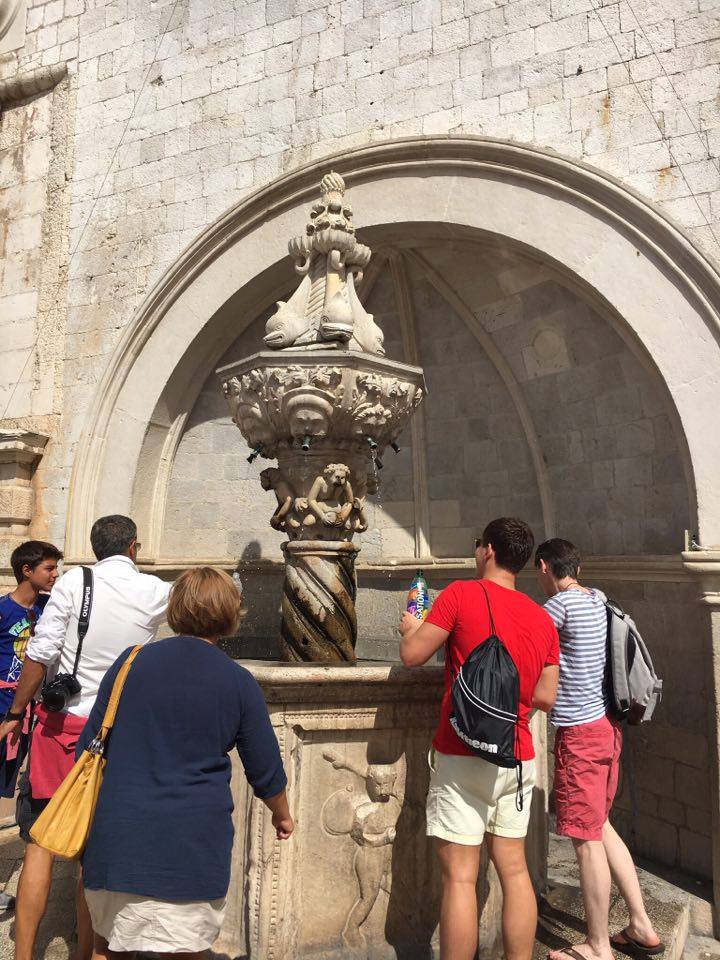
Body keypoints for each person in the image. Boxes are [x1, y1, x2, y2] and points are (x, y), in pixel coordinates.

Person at [77, 566, 293, 959]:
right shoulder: (236, 680)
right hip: (188, 847)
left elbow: (89, 745)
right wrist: (283, 814)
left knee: (108, 948)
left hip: (117, 838)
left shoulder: (130, 662)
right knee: (186, 951)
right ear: (231, 614)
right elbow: (265, 770)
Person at [0, 515, 171, 960]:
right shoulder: (155, 591)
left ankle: (22, 956)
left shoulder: (73, 584)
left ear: (95, 548)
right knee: (91, 850)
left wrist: (16, 713)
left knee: (38, 843)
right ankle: (86, 954)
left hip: (62, 727)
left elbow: (40, 653)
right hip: (115, 732)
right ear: (134, 546)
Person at [399, 517, 560, 960]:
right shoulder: (542, 619)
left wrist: (409, 628)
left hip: (462, 752)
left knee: (461, 879)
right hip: (518, 755)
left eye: (477, 546)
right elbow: (546, 697)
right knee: (514, 870)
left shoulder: (460, 594)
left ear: (487, 550)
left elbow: (413, 657)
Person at [535, 538, 663, 960]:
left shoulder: (559, 607)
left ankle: (597, 946)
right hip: (607, 729)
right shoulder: (598, 600)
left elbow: (520, 639)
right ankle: (641, 924)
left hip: (579, 738)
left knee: (585, 841)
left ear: (543, 568)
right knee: (601, 826)